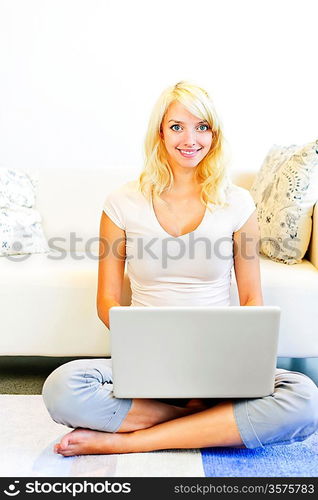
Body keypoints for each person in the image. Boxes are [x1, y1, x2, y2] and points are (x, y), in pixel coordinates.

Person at [42, 81, 318, 456]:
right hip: (147, 359)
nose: (191, 139)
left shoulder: (237, 203)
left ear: (214, 134)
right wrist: (142, 339)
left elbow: (252, 297)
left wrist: (243, 354)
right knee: (62, 388)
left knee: (305, 398)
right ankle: (202, 420)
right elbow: (107, 298)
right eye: (177, 127)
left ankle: (133, 441)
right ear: (160, 132)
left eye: (202, 126)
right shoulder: (121, 202)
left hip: (219, 359)